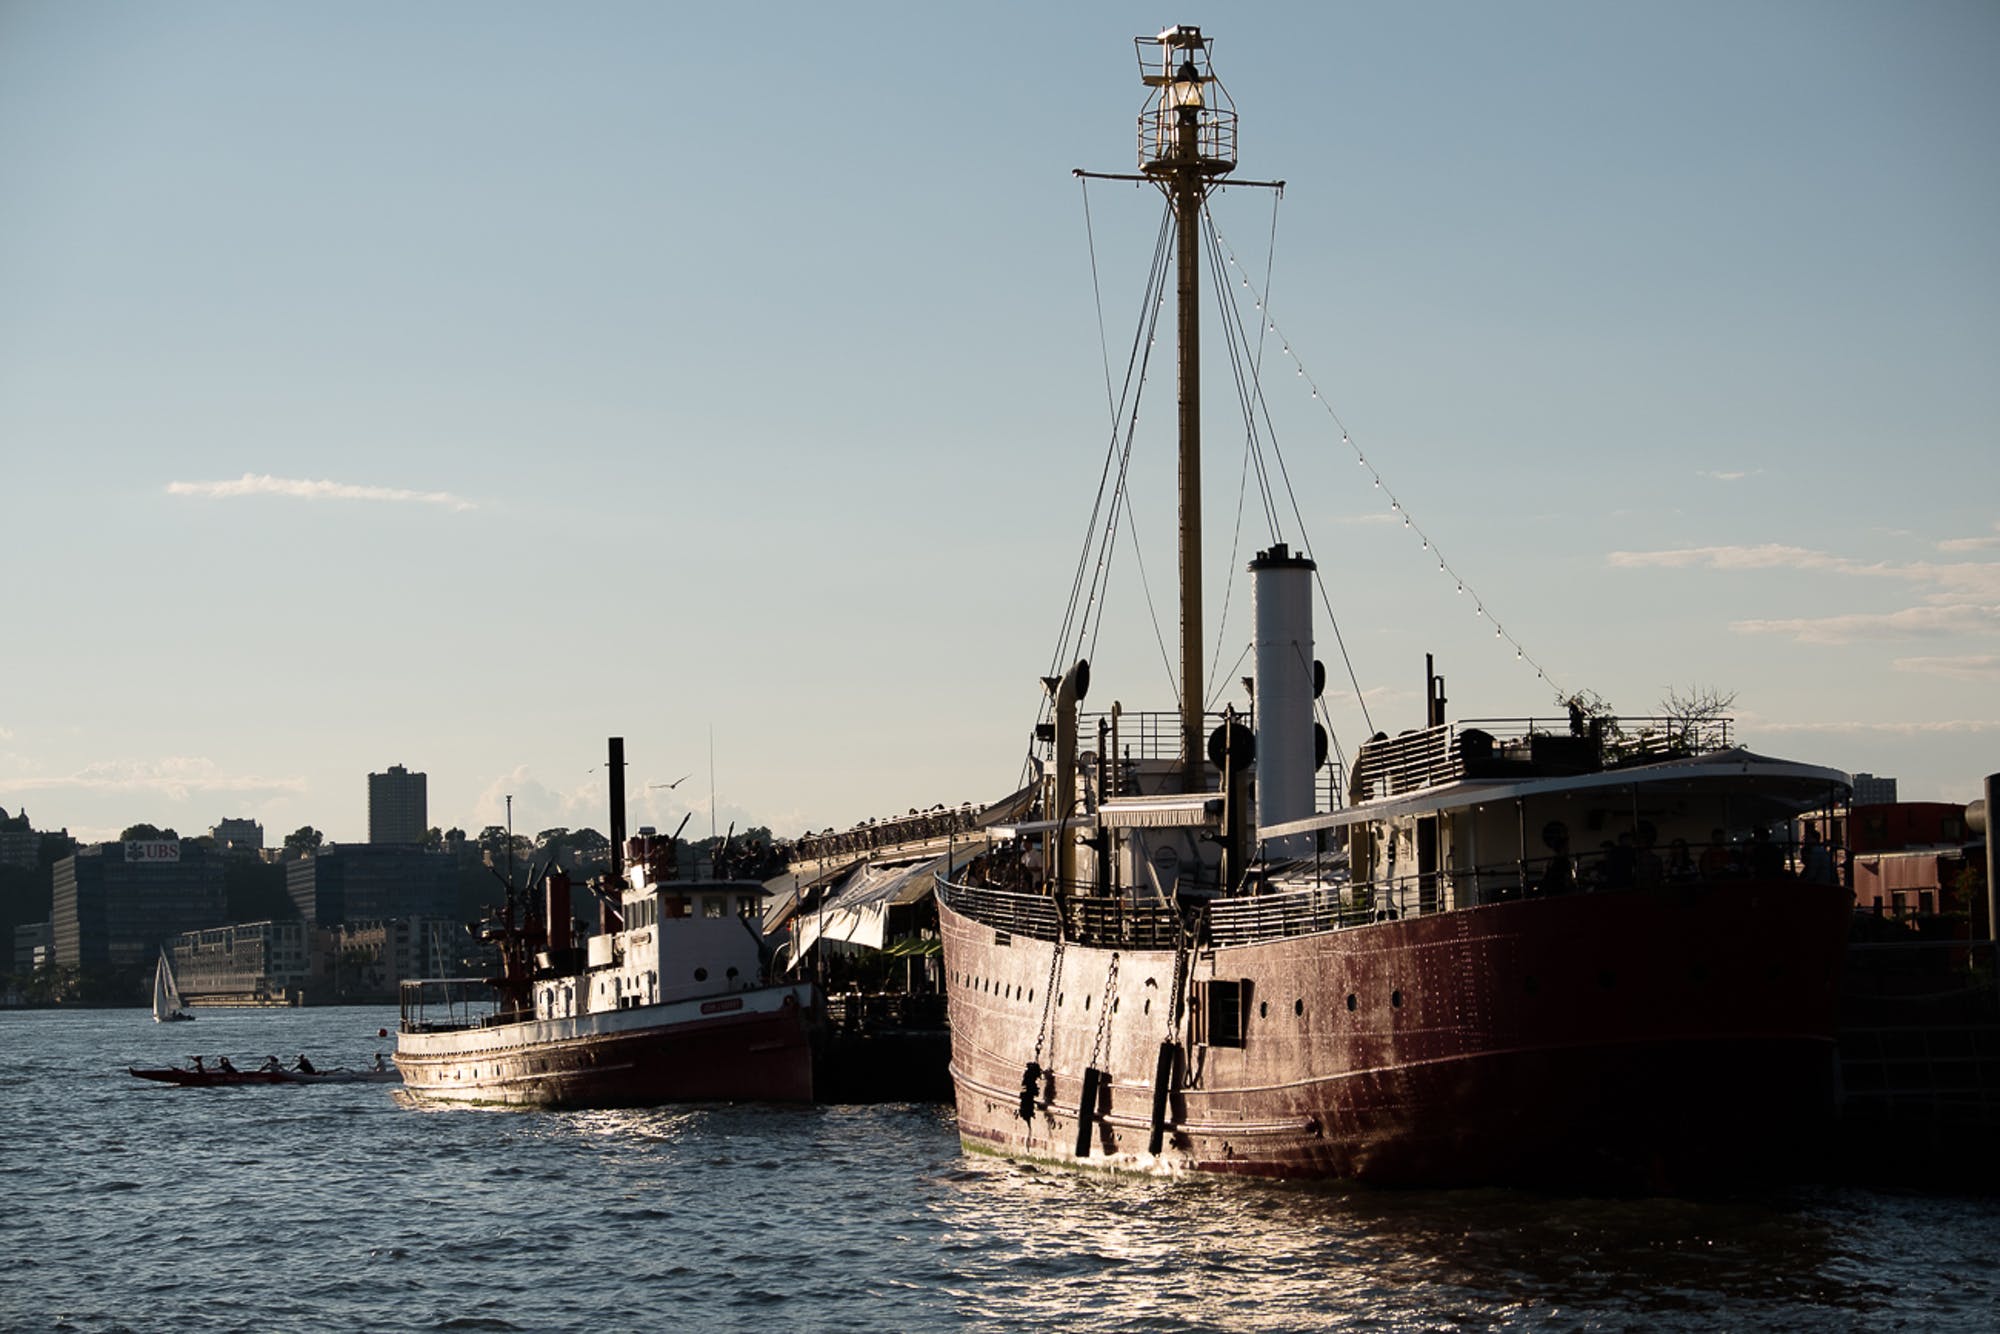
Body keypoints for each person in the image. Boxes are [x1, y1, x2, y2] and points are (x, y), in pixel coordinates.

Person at [1535, 821, 1575, 896]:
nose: (1569, 849)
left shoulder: (1551, 862)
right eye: (1567, 846)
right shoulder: (1562, 862)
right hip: (1559, 895)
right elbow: (1566, 882)